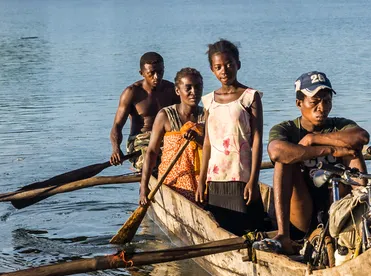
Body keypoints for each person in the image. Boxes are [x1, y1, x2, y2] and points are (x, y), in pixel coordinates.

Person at [267, 71, 370, 254]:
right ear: (299, 103)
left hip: (338, 204)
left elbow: (361, 136)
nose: (321, 107)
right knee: (284, 161)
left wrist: (314, 139)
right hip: (301, 210)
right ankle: (283, 234)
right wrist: (328, 149)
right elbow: (276, 151)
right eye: (314, 102)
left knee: (353, 151)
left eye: (327, 101)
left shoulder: (339, 124)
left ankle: (365, 219)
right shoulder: (287, 129)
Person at [195, 39, 266, 236]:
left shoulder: (250, 97)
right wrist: (202, 180)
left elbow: (257, 139)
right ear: (212, 70)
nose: (224, 71)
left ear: (238, 65)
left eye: (229, 65)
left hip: (241, 174)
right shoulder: (209, 100)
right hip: (216, 176)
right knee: (224, 228)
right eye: (218, 67)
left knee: (250, 227)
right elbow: (208, 142)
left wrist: (253, 180)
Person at [139, 68, 205, 205]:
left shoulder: (206, 115)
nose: (194, 92)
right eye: (188, 88)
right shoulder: (165, 116)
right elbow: (151, 151)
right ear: (177, 91)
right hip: (173, 180)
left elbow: (213, 148)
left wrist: (198, 138)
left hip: (201, 179)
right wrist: (144, 186)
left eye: (198, 87)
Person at [109, 52, 179, 170]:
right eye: (151, 73)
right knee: (150, 159)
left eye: (160, 72)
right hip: (141, 141)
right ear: (142, 73)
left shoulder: (172, 90)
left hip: (166, 138)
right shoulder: (132, 92)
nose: (156, 77)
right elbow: (117, 126)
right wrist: (116, 149)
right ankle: (145, 183)